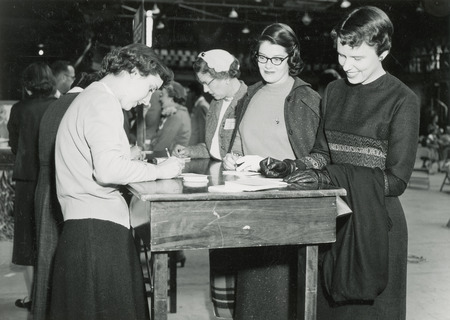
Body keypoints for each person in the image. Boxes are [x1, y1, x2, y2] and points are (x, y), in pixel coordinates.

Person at [260, 6, 420, 320]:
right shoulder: (333, 91)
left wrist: (330, 177)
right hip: (334, 220)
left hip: (376, 228)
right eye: (341, 55)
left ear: (383, 52)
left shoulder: (402, 99)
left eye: (357, 58)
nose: (347, 66)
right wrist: (294, 166)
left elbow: (396, 180)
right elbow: (323, 154)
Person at [49, 43, 185, 320]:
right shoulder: (103, 101)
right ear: (133, 71)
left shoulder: (92, 97)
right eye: (149, 88)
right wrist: (162, 171)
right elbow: (108, 171)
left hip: (87, 229)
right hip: (97, 234)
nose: (148, 100)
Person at [220, 23, 323, 320]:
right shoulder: (250, 94)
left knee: (279, 289)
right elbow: (238, 143)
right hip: (249, 202)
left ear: (292, 58)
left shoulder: (306, 98)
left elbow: (316, 156)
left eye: (276, 58)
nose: (268, 65)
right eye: (262, 57)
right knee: (250, 286)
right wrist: (233, 158)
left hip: (287, 207)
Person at [31, 71, 102, 320]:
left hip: (45, 187)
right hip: (64, 188)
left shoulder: (55, 105)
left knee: (46, 260)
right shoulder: (83, 105)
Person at [7, 62, 57, 311]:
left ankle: (32, 297)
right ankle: (53, 296)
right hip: (54, 180)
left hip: (27, 181)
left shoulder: (18, 109)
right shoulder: (57, 107)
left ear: (27, 84)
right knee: (51, 235)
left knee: (26, 240)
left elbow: (15, 147)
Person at [172, 49, 247, 161]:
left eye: (208, 83)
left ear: (226, 76)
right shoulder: (215, 104)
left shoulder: (250, 102)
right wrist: (189, 151)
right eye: (202, 84)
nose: (205, 90)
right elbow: (214, 149)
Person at [150, 81, 191, 152]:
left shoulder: (176, 116)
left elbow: (162, 147)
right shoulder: (180, 113)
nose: (160, 99)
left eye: (162, 95)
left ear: (171, 98)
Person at [187, 81, 210, 145]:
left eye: (189, 92)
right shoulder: (198, 106)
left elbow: (204, 130)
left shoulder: (202, 106)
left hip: (198, 147)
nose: (187, 95)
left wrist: (200, 149)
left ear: (195, 93)